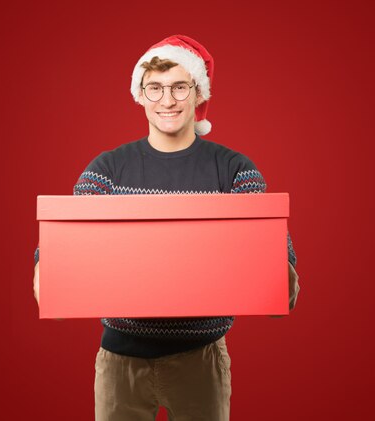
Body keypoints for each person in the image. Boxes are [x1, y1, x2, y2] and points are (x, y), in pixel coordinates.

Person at [32, 34, 300, 421]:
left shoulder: (235, 170)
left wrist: (280, 273)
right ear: (139, 95)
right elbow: (67, 241)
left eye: (179, 87)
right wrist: (48, 269)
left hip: (201, 359)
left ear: (198, 93)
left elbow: (277, 266)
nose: (167, 100)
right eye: (154, 88)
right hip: (120, 362)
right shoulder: (106, 170)